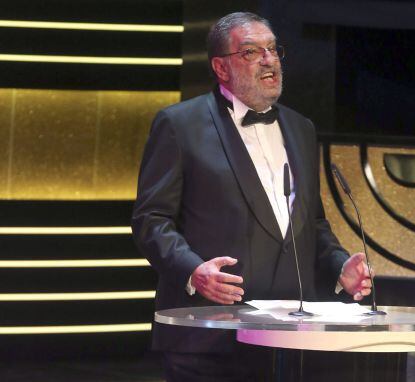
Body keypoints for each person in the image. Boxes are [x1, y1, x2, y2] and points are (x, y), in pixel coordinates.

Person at [132, 11, 372, 382]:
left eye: (273, 49)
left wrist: (340, 266)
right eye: (251, 52)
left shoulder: (300, 128)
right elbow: (151, 220)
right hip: (209, 335)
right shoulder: (179, 125)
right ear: (221, 67)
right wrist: (193, 271)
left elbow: (312, 224)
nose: (268, 59)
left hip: (289, 339)